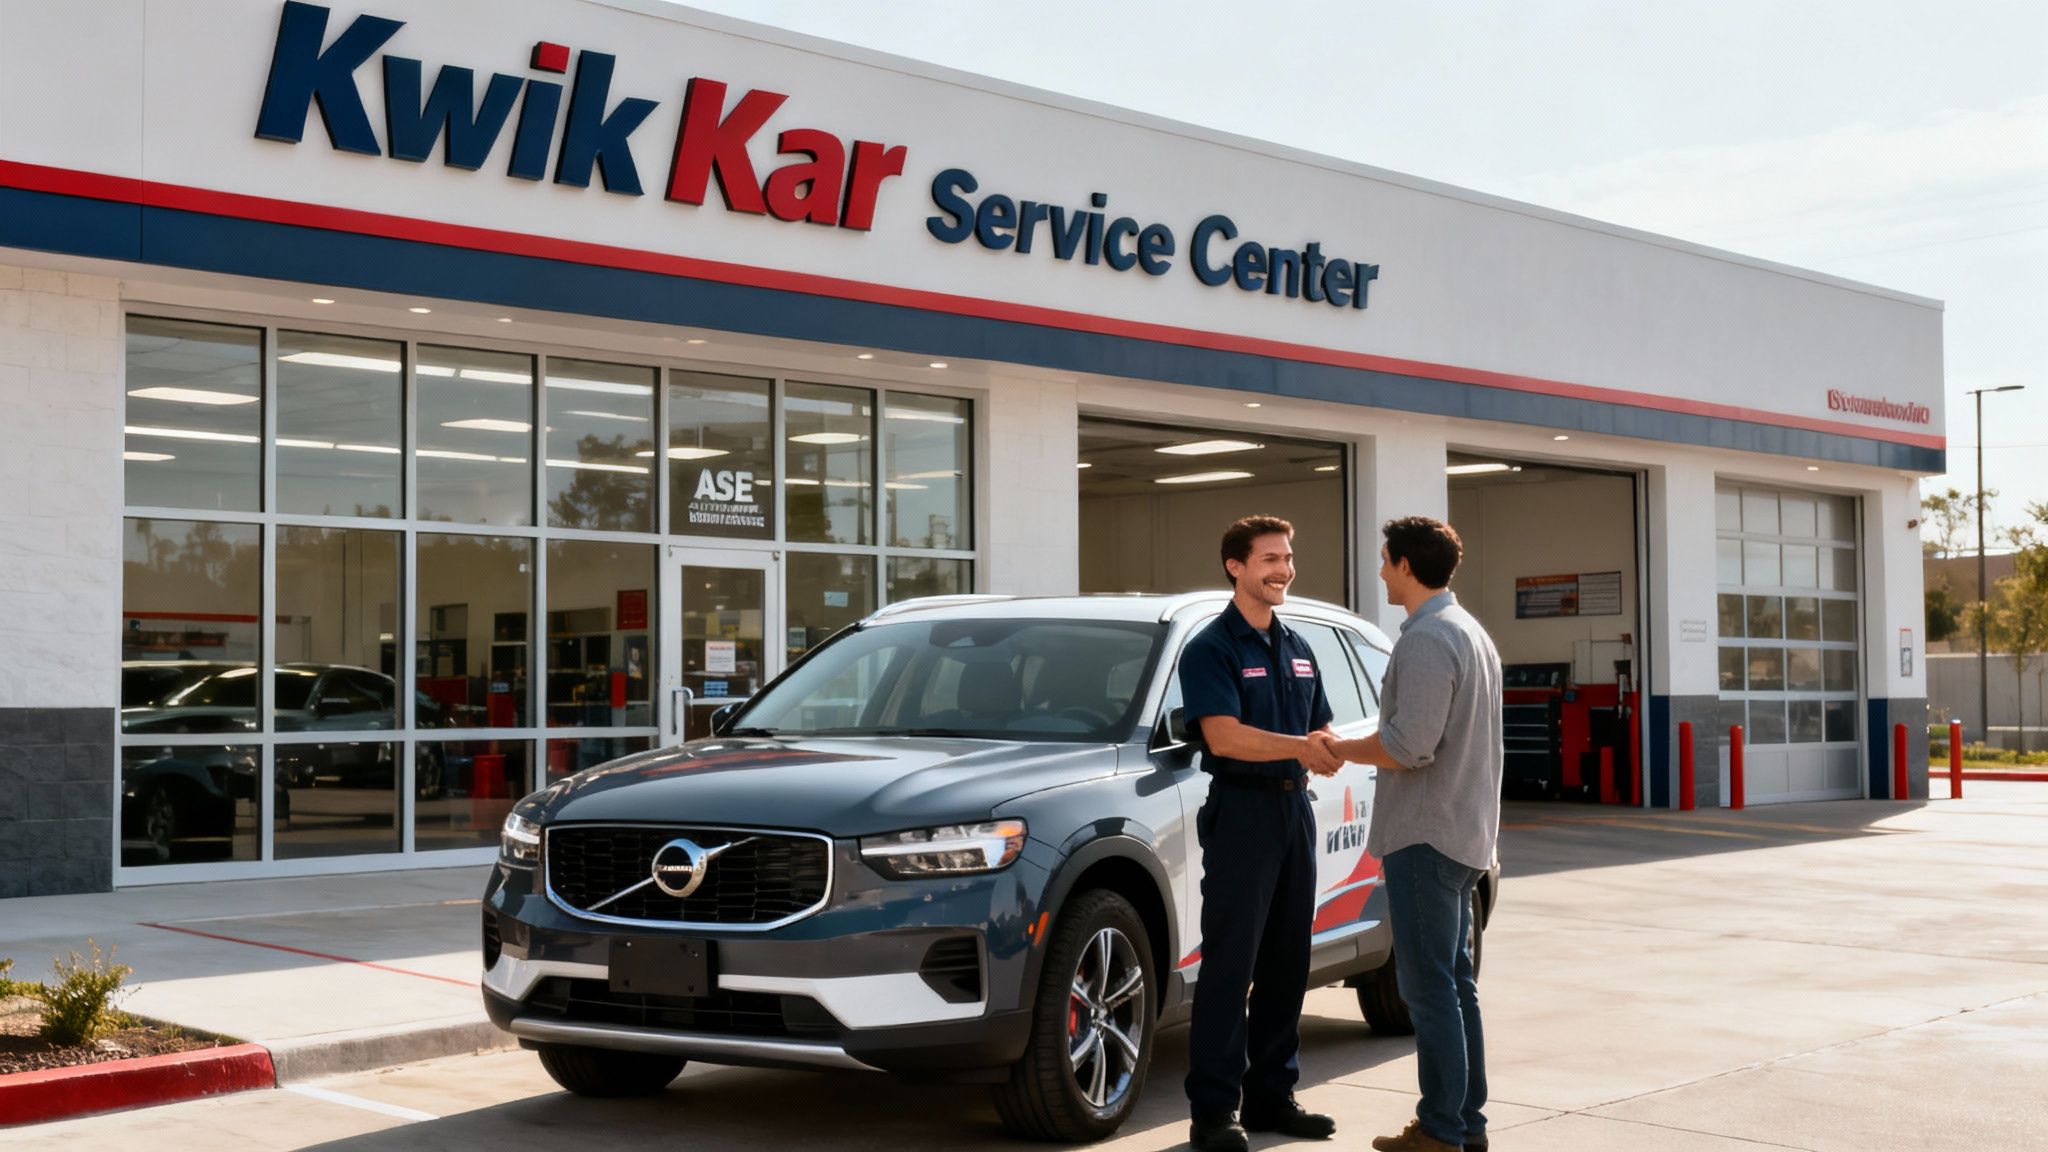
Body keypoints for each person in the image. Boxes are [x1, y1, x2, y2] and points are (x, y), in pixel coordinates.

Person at [1324, 517, 1503, 1152]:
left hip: (1428, 837)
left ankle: (1441, 1129)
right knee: (1454, 985)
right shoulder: (1471, 632)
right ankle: (1466, 1124)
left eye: (1384, 560)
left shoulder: (1428, 640)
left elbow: (1409, 746)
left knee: (1428, 991)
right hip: (1464, 834)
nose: (1379, 571)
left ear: (1406, 566)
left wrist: (1339, 746)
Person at [1178, 515, 1344, 1152]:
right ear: (1235, 566)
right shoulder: (1211, 648)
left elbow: (1320, 726)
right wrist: (1303, 747)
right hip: (1243, 814)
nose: (1284, 569)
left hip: (1293, 813)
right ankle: (1214, 1113)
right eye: (1270, 558)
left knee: (1286, 963)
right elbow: (1221, 735)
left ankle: (1273, 1098)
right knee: (1230, 966)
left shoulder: (1298, 646)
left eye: (1288, 557)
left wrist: (1326, 745)